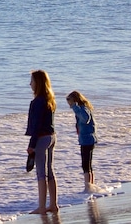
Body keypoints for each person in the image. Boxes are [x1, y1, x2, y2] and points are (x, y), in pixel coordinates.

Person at [26, 69, 59, 214]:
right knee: (50, 171)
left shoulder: (38, 101)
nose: (30, 84)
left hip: (41, 138)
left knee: (41, 173)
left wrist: (31, 145)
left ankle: (41, 207)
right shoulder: (49, 99)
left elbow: (37, 125)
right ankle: (53, 204)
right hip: (52, 136)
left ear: (37, 83)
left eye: (32, 81)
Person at [67, 90, 99, 193]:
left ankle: (88, 187)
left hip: (87, 139)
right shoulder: (81, 109)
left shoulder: (82, 109)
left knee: (85, 164)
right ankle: (91, 185)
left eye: (70, 103)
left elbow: (86, 119)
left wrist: (75, 108)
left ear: (75, 101)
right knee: (87, 164)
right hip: (86, 139)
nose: (70, 106)